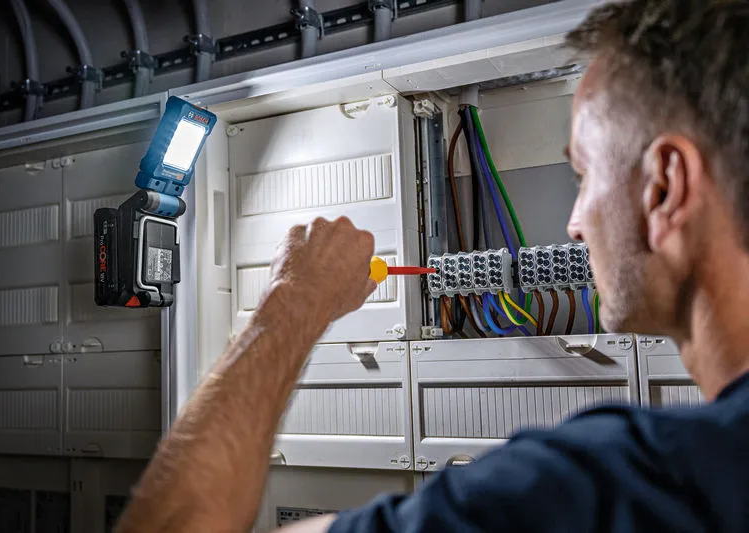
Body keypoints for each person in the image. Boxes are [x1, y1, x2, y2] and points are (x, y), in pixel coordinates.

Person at [115, 1, 749, 531]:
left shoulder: (595, 489)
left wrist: (294, 298)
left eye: (582, 175)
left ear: (666, 188)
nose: (575, 223)